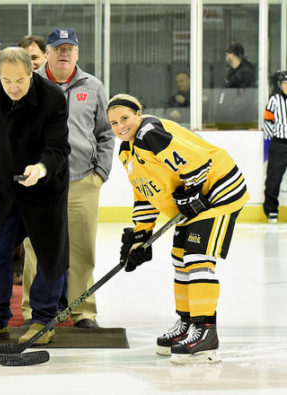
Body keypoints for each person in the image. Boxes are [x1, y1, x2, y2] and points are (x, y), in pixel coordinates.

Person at [107, 93, 249, 364]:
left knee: (197, 257)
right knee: (179, 257)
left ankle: (205, 330)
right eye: (113, 123)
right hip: (194, 202)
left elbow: (195, 162)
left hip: (217, 194)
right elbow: (145, 195)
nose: (119, 127)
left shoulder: (149, 132)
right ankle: (187, 322)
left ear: (139, 113)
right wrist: (141, 236)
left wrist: (192, 190)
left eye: (124, 118)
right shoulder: (127, 152)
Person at [0, 47, 71, 345]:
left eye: (20, 81)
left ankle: (42, 320)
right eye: (6, 80)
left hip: (45, 187)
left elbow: (59, 148)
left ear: (31, 74)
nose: (13, 87)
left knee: (49, 254)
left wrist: (39, 168)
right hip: (2, 185)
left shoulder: (51, 97)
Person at [22, 27, 115, 331]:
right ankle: (31, 310)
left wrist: (100, 173)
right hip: (40, 182)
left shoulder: (94, 86)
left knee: (82, 249)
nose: (64, 53)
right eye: (57, 48)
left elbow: (105, 132)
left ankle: (82, 310)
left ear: (77, 53)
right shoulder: (30, 84)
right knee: (36, 248)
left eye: (69, 49)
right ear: (46, 52)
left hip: (82, 180)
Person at [263, 71, 287, 223]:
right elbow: (267, 121)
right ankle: (271, 209)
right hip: (279, 144)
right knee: (274, 178)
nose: (286, 86)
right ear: (280, 85)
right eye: (284, 83)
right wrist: (275, 136)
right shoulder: (274, 100)